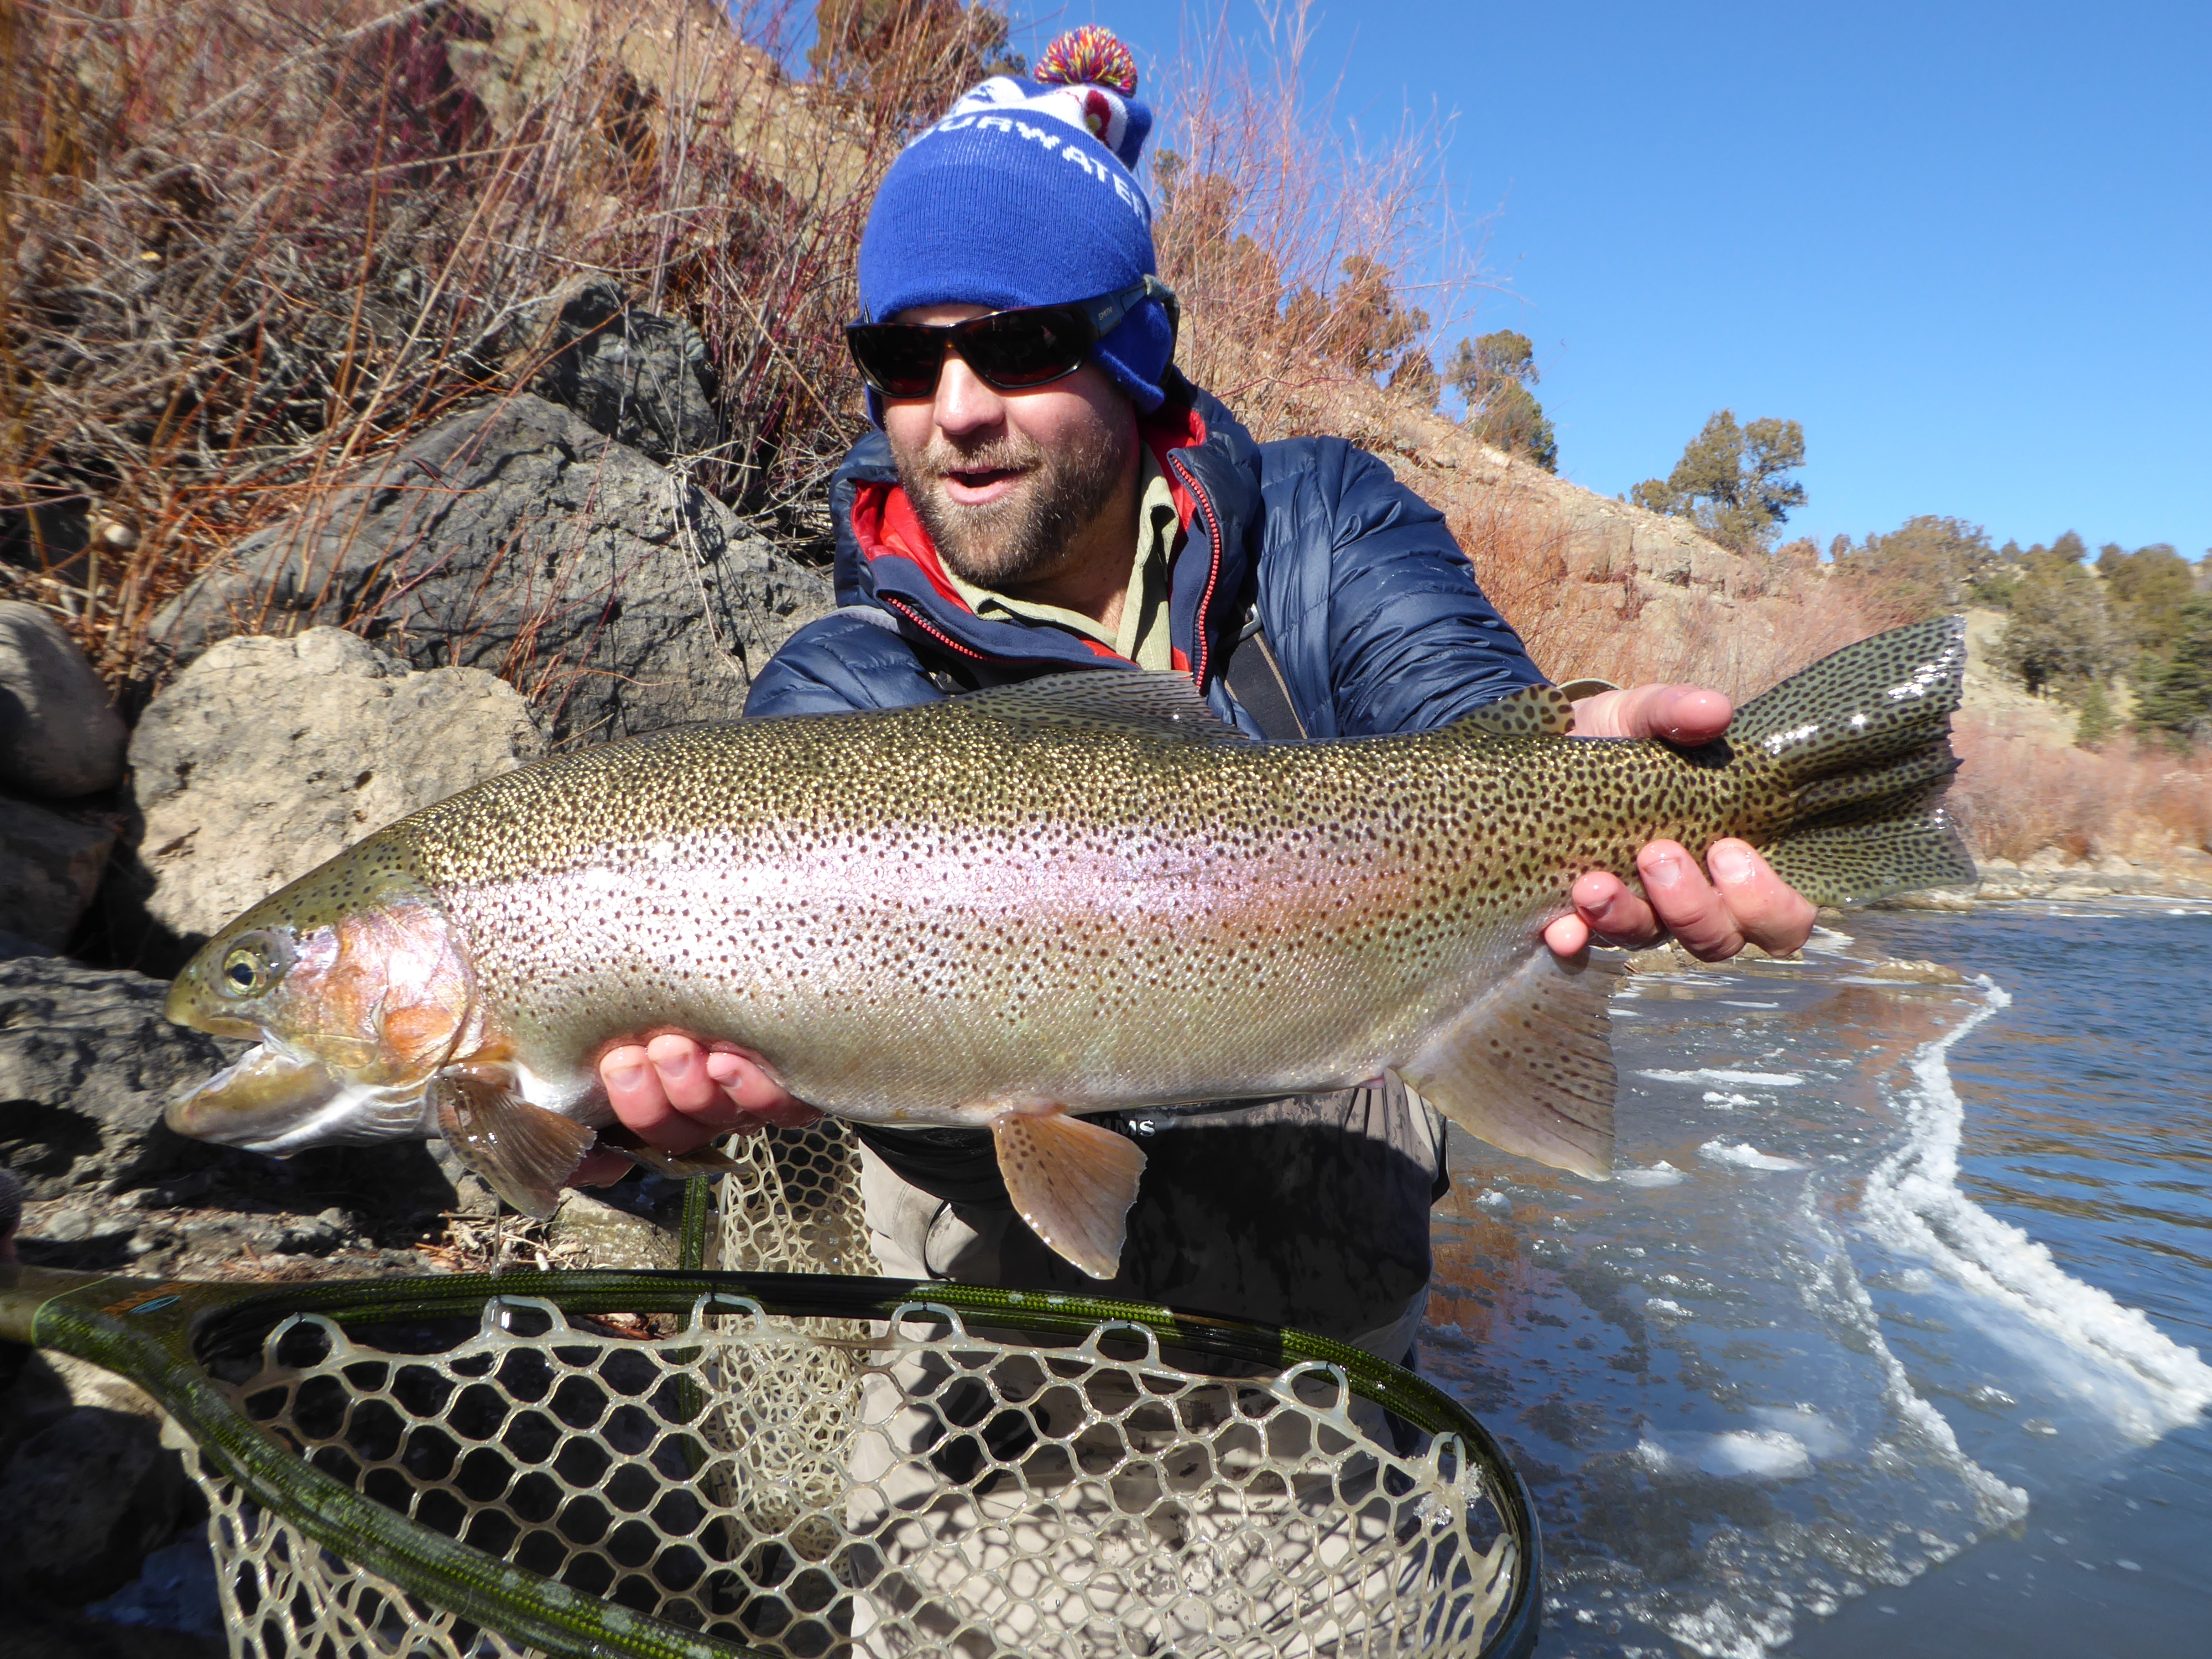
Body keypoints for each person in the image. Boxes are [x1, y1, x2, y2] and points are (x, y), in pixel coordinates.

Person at [577, 29, 1814, 1359]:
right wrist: (617, 1132)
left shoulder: (1323, 525)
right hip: (982, 1377)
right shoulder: (842, 683)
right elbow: (725, 1033)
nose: (954, 407)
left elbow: (1465, 726)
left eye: (1020, 344)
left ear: (1132, 346)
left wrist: (1593, 769)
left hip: (1327, 1361)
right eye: (900, 357)